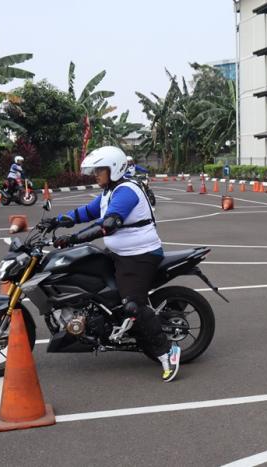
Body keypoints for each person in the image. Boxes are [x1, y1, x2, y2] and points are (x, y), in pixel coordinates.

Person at [41, 146, 180, 382]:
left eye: (100, 170)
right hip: (119, 252)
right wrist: (56, 222)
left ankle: (167, 351)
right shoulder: (108, 191)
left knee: (132, 306)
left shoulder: (127, 191)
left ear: (114, 169)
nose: (96, 174)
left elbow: (108, 223)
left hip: (139, 255)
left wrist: (73, 238)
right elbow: (86, 212)